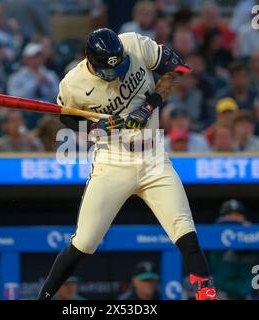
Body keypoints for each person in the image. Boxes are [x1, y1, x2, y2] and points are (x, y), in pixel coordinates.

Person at [37, 28, 217, 300]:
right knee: (85, 242)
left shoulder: (133, 44)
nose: (115, 74)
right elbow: (66, 117)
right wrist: (97, 127)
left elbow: (179, 68)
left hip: (153, 157)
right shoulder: (73, 83)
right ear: (90, 61)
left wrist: (148, 106)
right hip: (113, 161)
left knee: (184, 227)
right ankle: (43, 297)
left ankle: (206, 293)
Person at [208, 200, 259, 300]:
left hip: (247, 294)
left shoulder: (253, 234)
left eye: (238, 214)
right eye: (229, 214)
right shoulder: (216, 233)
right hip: (221, 294)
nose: (234, 217)